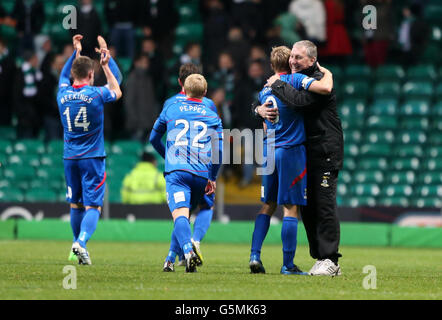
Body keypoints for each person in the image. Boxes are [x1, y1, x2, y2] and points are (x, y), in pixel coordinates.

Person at [255, 40, 343, 276]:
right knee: (308, 207)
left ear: (311, 60)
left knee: (324, 205)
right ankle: (320, 258)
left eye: (298, 58)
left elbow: (299, 102)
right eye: (292, 56)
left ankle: (331, 259)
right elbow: (277, 105)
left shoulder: (318, 79)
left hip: (325, 151)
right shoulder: (296, 79)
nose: (292, 61)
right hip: (305, 151)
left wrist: (277, 84)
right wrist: (259, 109)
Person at [149, 74, 223, 273]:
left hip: (178, 173)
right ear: (205, 93)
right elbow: (219, 152)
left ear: (184, 90)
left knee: (180, 215)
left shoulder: (171, 108)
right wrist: (212, 177)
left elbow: (153, 138)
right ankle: (170, 259)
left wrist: (168, 156)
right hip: (200, 174)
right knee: (186, 214)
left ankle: (188, 251)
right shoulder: (213, 116)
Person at [59, 35, 122, 265]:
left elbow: (63, 77)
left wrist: (74, 55)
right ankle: (81, 242)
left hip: (70, 157)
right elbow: (117, 89)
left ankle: (75, 245)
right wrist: (106, 64)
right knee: (93, 205)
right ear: (91, 75)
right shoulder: (96, 94)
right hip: (92, 157)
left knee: (75, 204)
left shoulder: (62, 94)